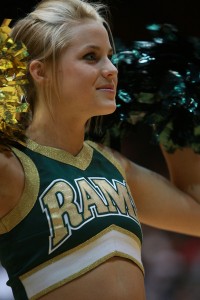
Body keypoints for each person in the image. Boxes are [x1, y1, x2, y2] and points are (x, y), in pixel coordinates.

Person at [0, 0, 200, 299]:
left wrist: (174, 118)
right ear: (40, 71)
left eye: (110, 56)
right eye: (91, 57)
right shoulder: (11, 165)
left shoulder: (116, 166)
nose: (111, 70)